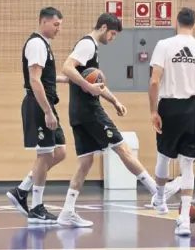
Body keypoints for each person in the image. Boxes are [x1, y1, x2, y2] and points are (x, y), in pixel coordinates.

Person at [56, 13, 182, 228]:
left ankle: (67, 211)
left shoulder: (89, 48)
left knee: (85, 162)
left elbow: (83, 80)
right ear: (104, 27)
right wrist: (88, 87)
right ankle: (157, 191)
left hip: (78, 113)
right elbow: (67, 67)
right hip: (89, 111)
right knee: (123, 148)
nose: (113, 38)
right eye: (113, 33)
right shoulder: (88, 44)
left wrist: (114, 101)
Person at [148, 7, 195, 236]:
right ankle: (184, 221)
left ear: (176, 22)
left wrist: (153, 111)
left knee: (163, 156)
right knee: (188, 164)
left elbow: (154, 81)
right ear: (194, 24)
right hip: (192, 107)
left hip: (169, 106)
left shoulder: (164, 45)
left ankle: (159, 199)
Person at [5, 7, 68, 224]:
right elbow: (34, 80)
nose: (58, 29)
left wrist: (66, 79)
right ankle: (37, 207)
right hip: (39, 105)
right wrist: (47, 112)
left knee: (59, 152)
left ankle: (22, 190)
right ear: (43, 21)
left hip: (46, 103)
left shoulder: (45, 46)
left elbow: (45, 76)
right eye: (56, 24)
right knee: (45, 155)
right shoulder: (37, 44)